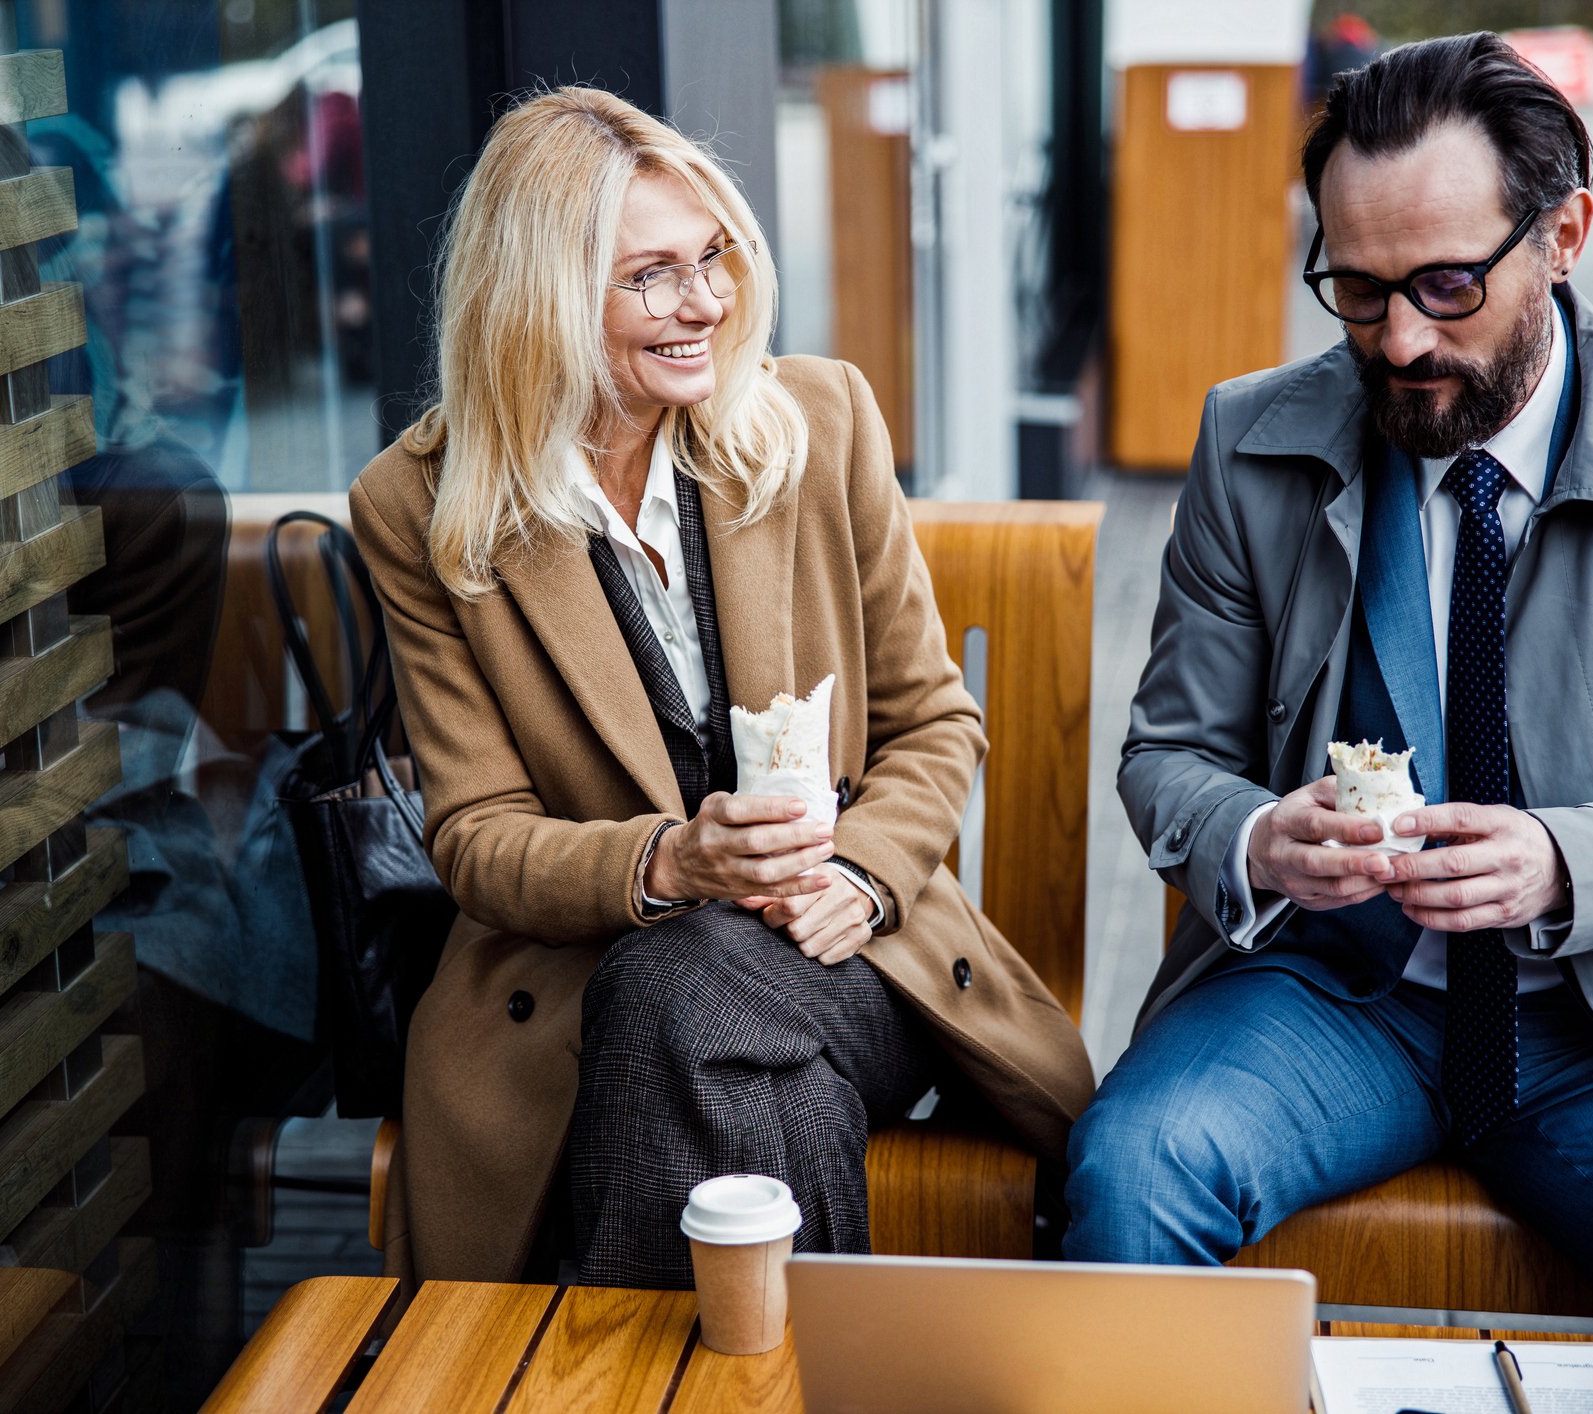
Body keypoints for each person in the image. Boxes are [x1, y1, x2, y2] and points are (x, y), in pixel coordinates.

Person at [1069, 33, 1593, 1394]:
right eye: (1355, 287)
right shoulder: (1249, 437)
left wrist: (1572, 861)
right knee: (1127, 1172)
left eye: (1446, 284)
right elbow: (1168, 755)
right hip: (1331, 999)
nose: (1397, 339)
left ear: (1564, 234)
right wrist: (1263, 836)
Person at [349, 87, 1092, 1289]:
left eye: (713, 259)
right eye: (652, 276)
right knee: (692, 1016)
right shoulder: (421, 504)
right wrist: (667, 866)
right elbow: (477, 840)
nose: (704, 303)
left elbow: (933, 722)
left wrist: (861, 871)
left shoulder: (817, 418)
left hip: (848, 948)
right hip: (596, 975)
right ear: (538, 298)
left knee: (682, 1003)